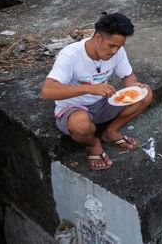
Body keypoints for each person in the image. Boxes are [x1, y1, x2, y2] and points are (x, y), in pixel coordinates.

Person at [41, 13, 153, 171]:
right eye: (112, 46)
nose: (115, 51)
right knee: (80, 124)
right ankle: (93, 143)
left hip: (104, 102)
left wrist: (134, 87)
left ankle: (111, 132)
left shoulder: (117, 51)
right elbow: (47, 91)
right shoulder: (70, 55)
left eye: (119, 46)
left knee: (146, 93)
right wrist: (89, 88)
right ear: (98, 38)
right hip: (75, 109)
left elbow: (128, 76)